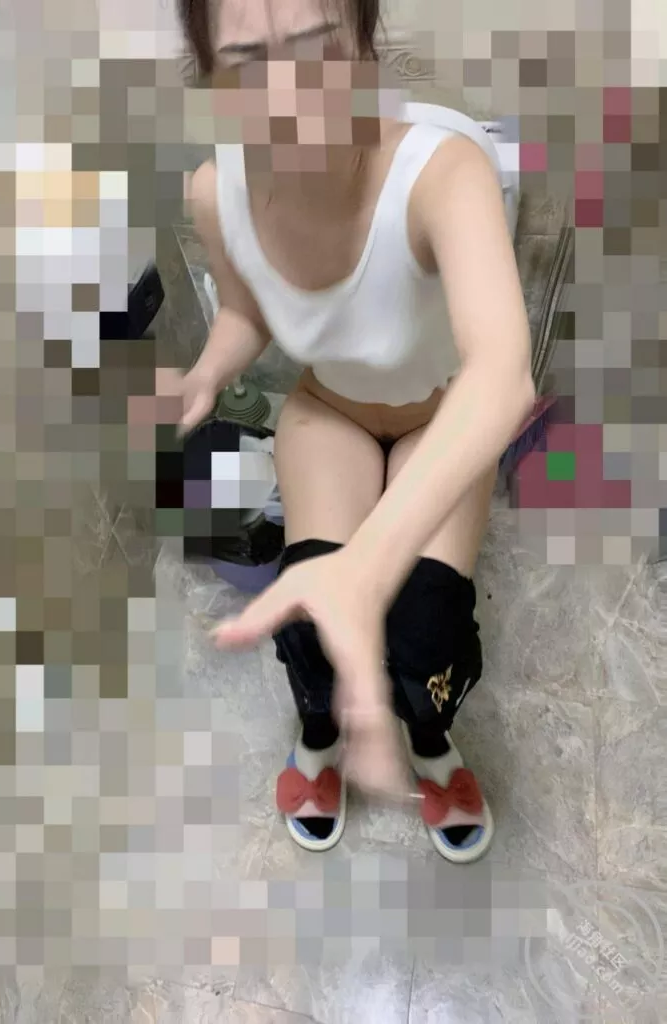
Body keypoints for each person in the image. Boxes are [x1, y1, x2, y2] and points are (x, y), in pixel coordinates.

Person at [174, 0, 535, 861]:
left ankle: (432, 740)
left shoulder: (442, 171)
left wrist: (368, 568)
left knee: (424, 630)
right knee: (308, 622)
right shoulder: (215, 194)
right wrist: (204, 374)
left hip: (436, 416)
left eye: (316, 46)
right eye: (248, 61)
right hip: (329, 407)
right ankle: (319, 736)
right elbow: (249, 311)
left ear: (364, 44)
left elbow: (501, 373)